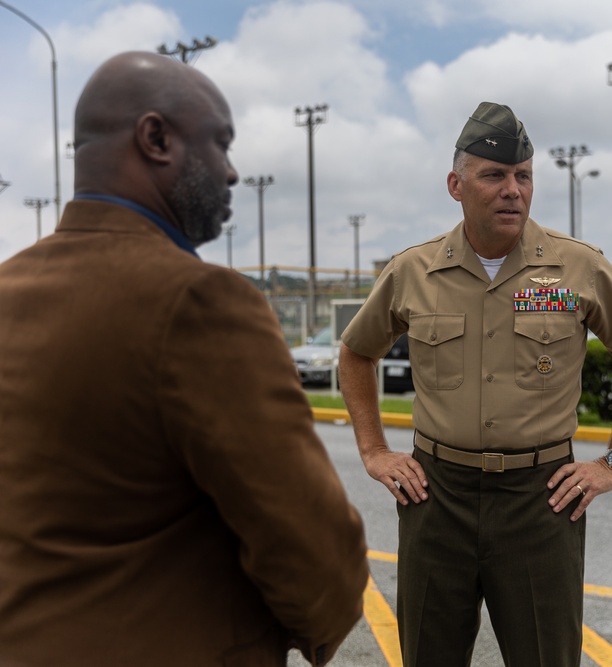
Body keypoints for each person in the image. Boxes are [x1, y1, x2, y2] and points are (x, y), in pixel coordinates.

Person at [0, 52, 368, 666]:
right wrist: (323, 625)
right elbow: (309, 542)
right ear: (156, 138)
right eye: (220, 144)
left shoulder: (9, 288)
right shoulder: (198, 300)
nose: (230, 173)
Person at [338, 101, 612, 666]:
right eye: (494, 175)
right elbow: (354, 353)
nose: (512, 189)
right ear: (456, 184)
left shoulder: (577, 269)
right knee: (428, 654)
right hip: (435, 495)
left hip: (540, 500)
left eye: (523, 176)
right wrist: (373, 450)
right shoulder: (412, 271)